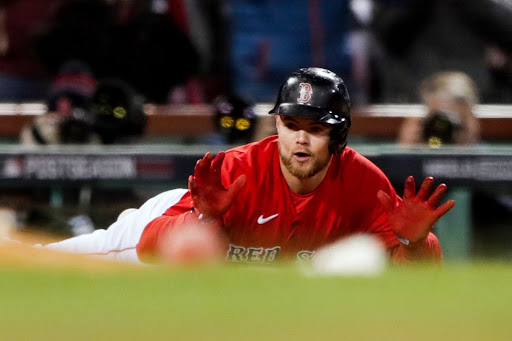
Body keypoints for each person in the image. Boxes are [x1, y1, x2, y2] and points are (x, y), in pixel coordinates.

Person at [43, 67, 455, 265]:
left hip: (230, 269)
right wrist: (203, 218)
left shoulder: (364, 183)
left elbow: (415, 276)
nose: (300, 138)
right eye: (290, 124)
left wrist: (416, 244)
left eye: (315, 128)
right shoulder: (238, 169)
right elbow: (153, 245)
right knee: (54, 264)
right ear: (277, 123)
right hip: (182, 222)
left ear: (339, 135)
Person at [398, 71, 481, 146]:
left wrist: (467, 148)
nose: (444, 129)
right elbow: (436, 146)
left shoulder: (489, 159)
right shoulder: (432, 141)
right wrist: (408, 151)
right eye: (438, 120)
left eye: (454, 121)